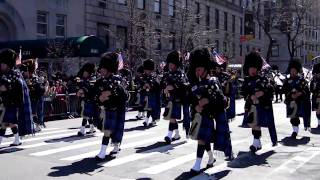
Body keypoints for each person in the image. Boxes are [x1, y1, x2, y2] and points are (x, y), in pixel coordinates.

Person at [187, 48, 232, 175]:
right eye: (196, 69)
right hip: (198, 116)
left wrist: (208, 101)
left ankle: (197, 165)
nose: (197, 72)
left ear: (206, 68)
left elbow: (223, 102)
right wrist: (196, 106)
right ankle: (211, 157)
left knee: (201, 139)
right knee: (203, 139)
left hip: (209, 116)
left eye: (200, 69)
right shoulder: (194, 84)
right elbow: (190, 99)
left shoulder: (213, 82)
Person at [241, 52, 278, 153]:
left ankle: (255, 143)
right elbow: (243, 92)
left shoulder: (263, 79)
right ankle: (257, 143)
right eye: (250, 68)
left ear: (257, 68)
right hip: (251, 106)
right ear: (247, 69)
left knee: (257, 125)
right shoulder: (246, 80)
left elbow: (271, 90)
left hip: (262, 106)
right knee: (254, 125)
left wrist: (263, 92)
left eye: (254, 68)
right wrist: (250, 96)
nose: (252, 70)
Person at [94, 52, 128, 160]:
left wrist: (111, 93)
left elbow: (125, 96)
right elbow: (93, 95)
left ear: (109, 68)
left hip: (116, 110)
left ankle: (103, 152)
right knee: (108, 131)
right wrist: (99, 98)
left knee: (109, 131)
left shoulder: (118, 80)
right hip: (105, 110)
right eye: (101, 68)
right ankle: (114, 146)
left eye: (103, 68)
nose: (101, 70)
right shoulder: (99, 82)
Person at [0, 49, 33, 146]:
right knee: (9, 123)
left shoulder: (14, 75)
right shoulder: (6, 74)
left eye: (2, 64)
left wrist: (6, 88)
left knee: (3, 123)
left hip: (11, 103)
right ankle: (17, 139)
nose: (0, 65)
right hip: (5, 102)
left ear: (7, 64)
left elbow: (12, 89)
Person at [161, 50, 189, 144]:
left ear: (176, 64)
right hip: (169, 98)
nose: (170, 65)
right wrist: (164, 89)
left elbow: (184, 85)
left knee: (172, 117)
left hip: (177, 98)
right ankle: (176, 134)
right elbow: (163, 84)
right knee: (171, 117)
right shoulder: (167, 74)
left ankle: (169, 135)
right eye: (169, 63)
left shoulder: (180, 73)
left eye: (172, 64)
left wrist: (173, 86)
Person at [283, 59, 311, 139]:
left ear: (297, 70)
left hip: (300, 101)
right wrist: (290, 95)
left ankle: (305, 125)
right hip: (291, 101)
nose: (293, 72)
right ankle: (295, 131)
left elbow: (306, 90)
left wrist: (300, 93)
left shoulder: (302, 80)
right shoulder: (287, 81)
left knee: (300, 115)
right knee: (293, 117)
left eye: (294, 70)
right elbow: (284, 90)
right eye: (292, 70)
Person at [20, 59, 46, 132]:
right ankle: (35, 125)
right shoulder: (25, 77)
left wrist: (29, 85)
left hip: (34, 97)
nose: (24, 72)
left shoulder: (34, 78)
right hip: (30, 97)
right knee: (32, 112)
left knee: (33, 112)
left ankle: (37, 125)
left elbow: (36, 88)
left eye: (25, 71)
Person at [75, 63, 97, 136]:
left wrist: (83, 91)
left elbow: (90, 91)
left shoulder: (91, 80)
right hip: (87, 99)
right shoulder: (85, 80)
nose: (84, 73)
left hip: (90, 100)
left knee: (85, 115)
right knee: (88, 115)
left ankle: (82, 130)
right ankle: (92, 128)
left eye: (86, 72)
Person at [140, 59, 161, 127]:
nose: (145, 71)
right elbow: (140, 84)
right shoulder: (144, 76)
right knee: (149, 108)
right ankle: (148, 120)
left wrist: (151, 86)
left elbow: (158, 85)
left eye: (147, 69)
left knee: (152, 108)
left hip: (154, 94)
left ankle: (150, 120)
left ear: (150, 69)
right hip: (146, 94)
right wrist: (143, 87)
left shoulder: (155, 76)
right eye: (145, 69)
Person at [311, 63, 320, 129]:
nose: (317, 74)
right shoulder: (313, 80)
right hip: (316, 97)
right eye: (316, 73)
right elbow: (311, 90)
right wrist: (313, 87)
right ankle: (319, 123)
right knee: (318, 111)